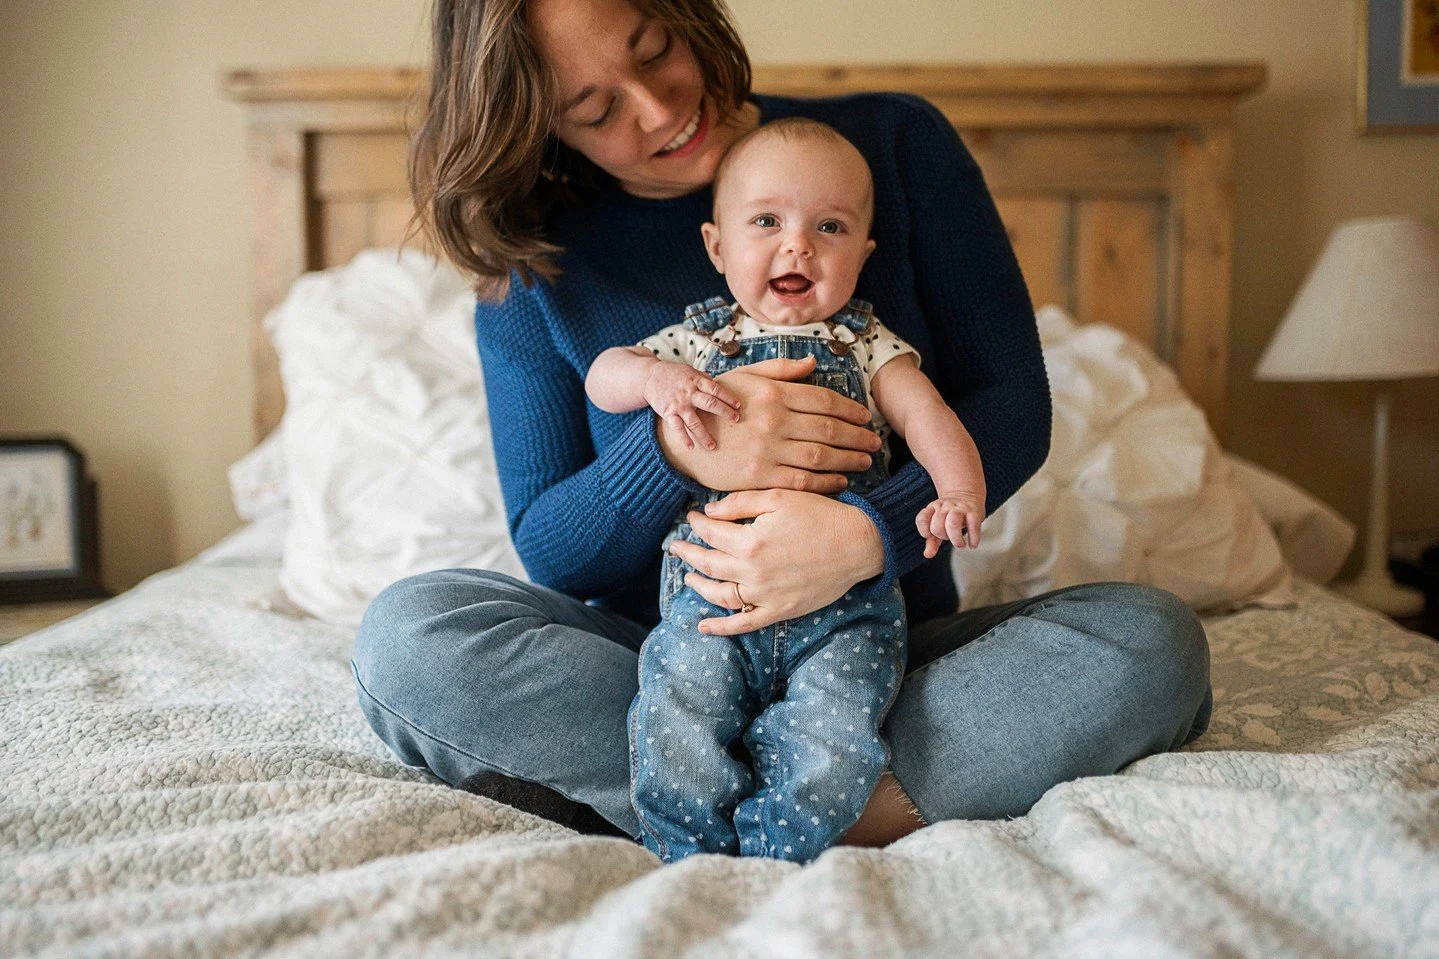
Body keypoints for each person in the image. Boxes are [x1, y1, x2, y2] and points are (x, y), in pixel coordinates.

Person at [350, 0, 1214, 848]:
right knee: (409, 636)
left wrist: (866, 536)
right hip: (664, 657)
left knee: (1152, 642)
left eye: (653, 51)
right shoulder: (531, 257)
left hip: (878, 646)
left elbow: (1010, 401)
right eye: (595, 109)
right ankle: (813, 800)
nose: (657, 110)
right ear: (542, 128)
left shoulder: (890, 148)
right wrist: (680, 453)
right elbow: (550, 544)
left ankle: (712, 808)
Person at [585, 118, 986, 862]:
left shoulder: (868, 348)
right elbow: (602, 379)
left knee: (834, 733)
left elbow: (930, 416)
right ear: (716, 247)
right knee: (677, 706)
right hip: (711, 601)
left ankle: (776, 849)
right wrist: (654, 381)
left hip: (845, 614)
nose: (797, 244)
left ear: (863, 256)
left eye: (828, 226)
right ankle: (687, 850)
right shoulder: (696, 344)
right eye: (766, 221)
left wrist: (958, 490)